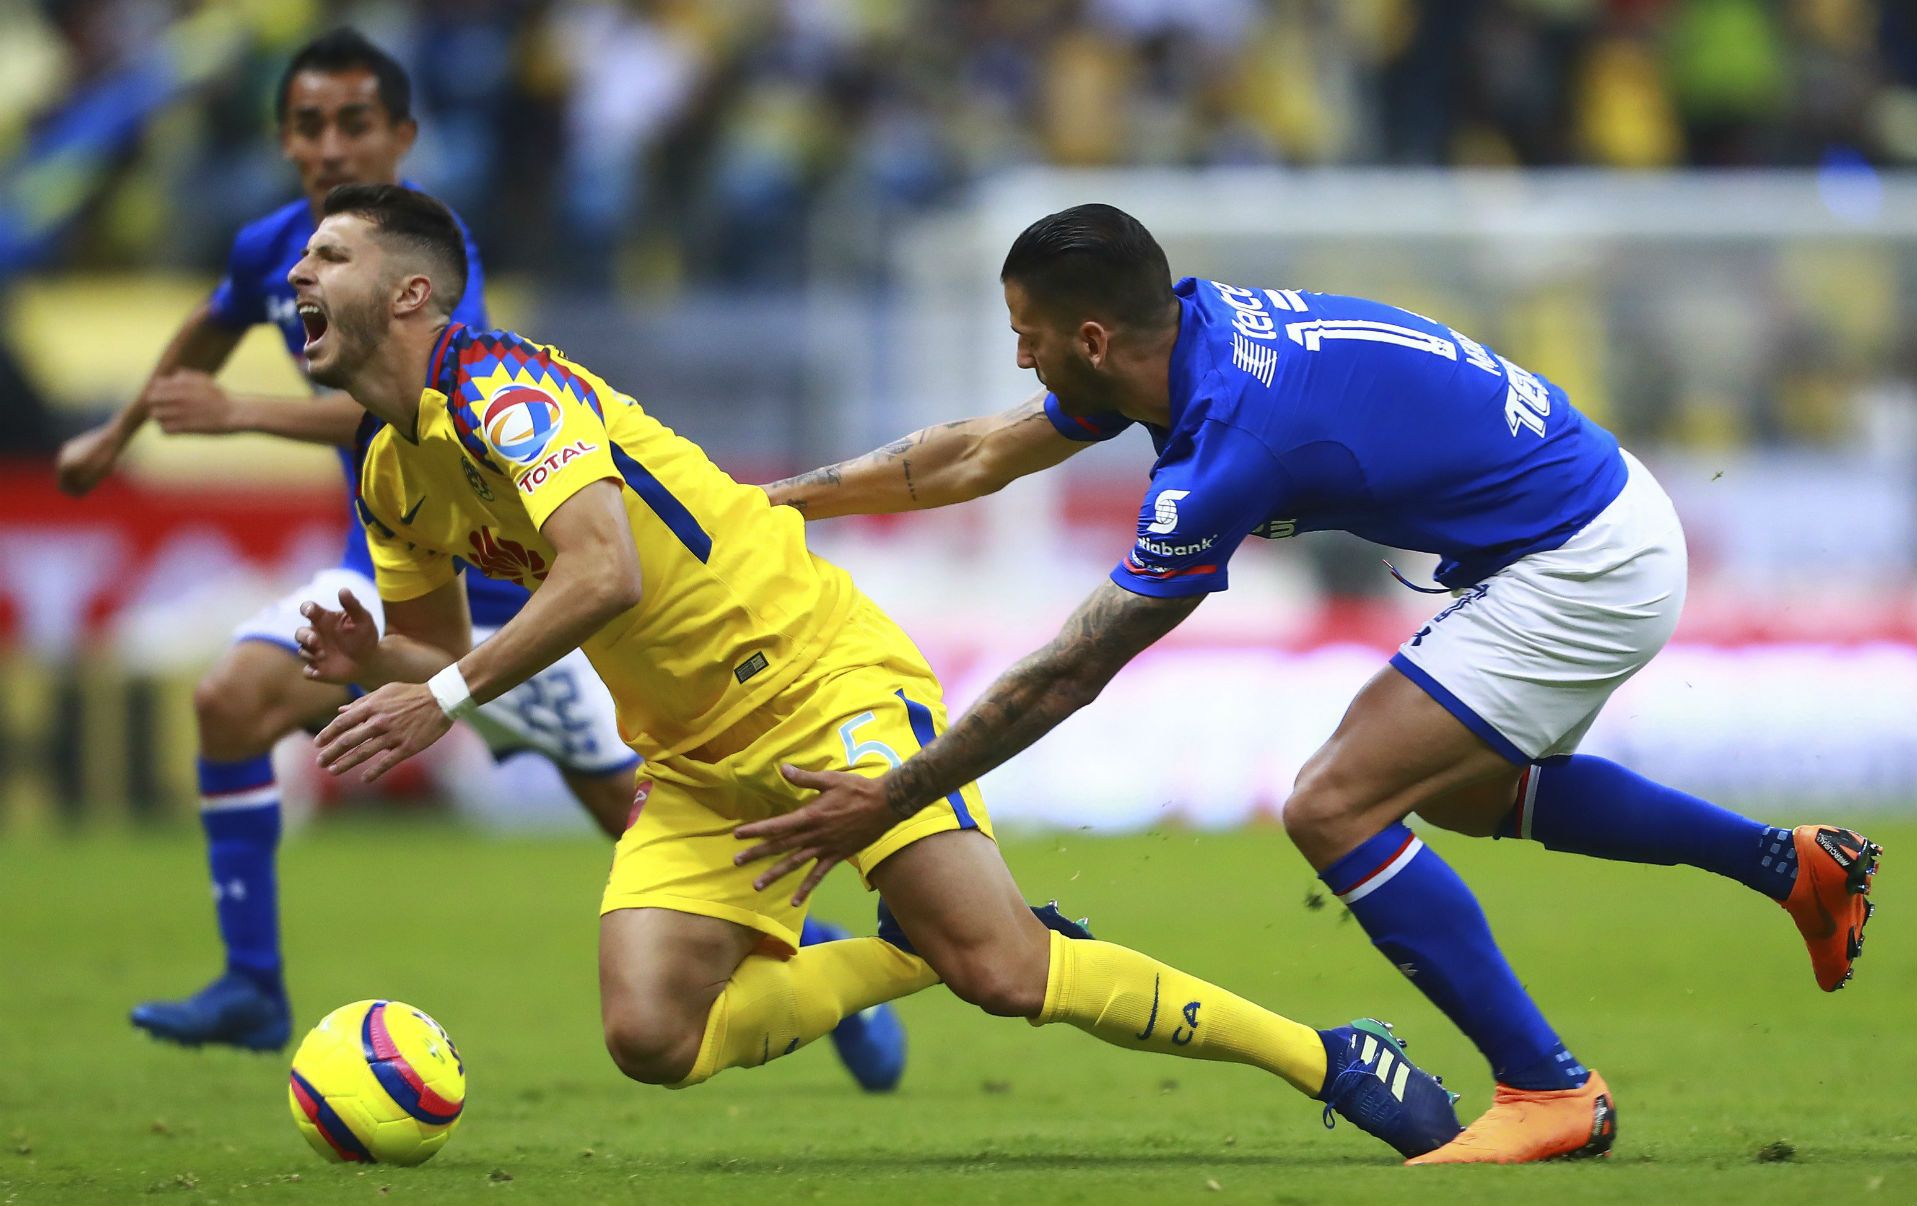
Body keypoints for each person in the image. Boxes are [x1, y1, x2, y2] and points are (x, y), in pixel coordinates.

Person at [288, 181, 1464, 1159]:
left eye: (328, 254)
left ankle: (1328, 1057)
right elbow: (442, 653)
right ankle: (906, 951)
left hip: (821, 684)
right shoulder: (391, 471)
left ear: (410, 292)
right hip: (696, 753)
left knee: (1007, 973)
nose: (299, 275)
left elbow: (602, 576)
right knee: (653, 1036)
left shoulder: (506, 387)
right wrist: (380, 660)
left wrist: (436, 697)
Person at [737, 203, 1884, 1165]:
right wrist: (769, 508)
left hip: (1581, 559)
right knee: (1458, 793)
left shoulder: (1237, 437)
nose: (1021, 356)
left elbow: (1070, 673)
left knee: (1333, 803)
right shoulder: (1176, 339)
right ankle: (1797, 868)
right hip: (1580, 513)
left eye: (1027, 334)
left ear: (1090, 336)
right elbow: (975, 454)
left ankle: (1550, 1090)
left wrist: (899, 793)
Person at [44, 28, 904, 1090]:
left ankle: (820, 960)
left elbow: (404, 414)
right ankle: (254, 983)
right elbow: (206, 328)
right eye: (309, 124)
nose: (331, 143)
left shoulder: (424, 264)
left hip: (528, 599)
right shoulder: (276, 250)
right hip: (405, 576)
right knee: (230, 697)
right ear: (283, 139)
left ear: (402, 135)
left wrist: (236, 415)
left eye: (355, 121)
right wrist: (120, 428)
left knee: (636, 822)